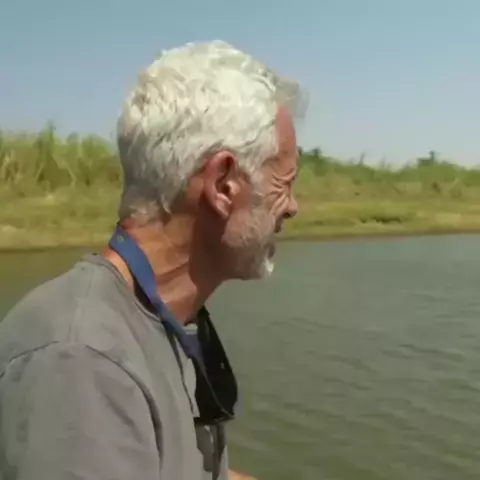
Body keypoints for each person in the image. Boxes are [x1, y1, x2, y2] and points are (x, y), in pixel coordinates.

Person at [0, 40, 305, 480]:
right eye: (284, 183)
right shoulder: (82, 363)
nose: (292, 206)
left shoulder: (164, 319)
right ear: (223, 185)